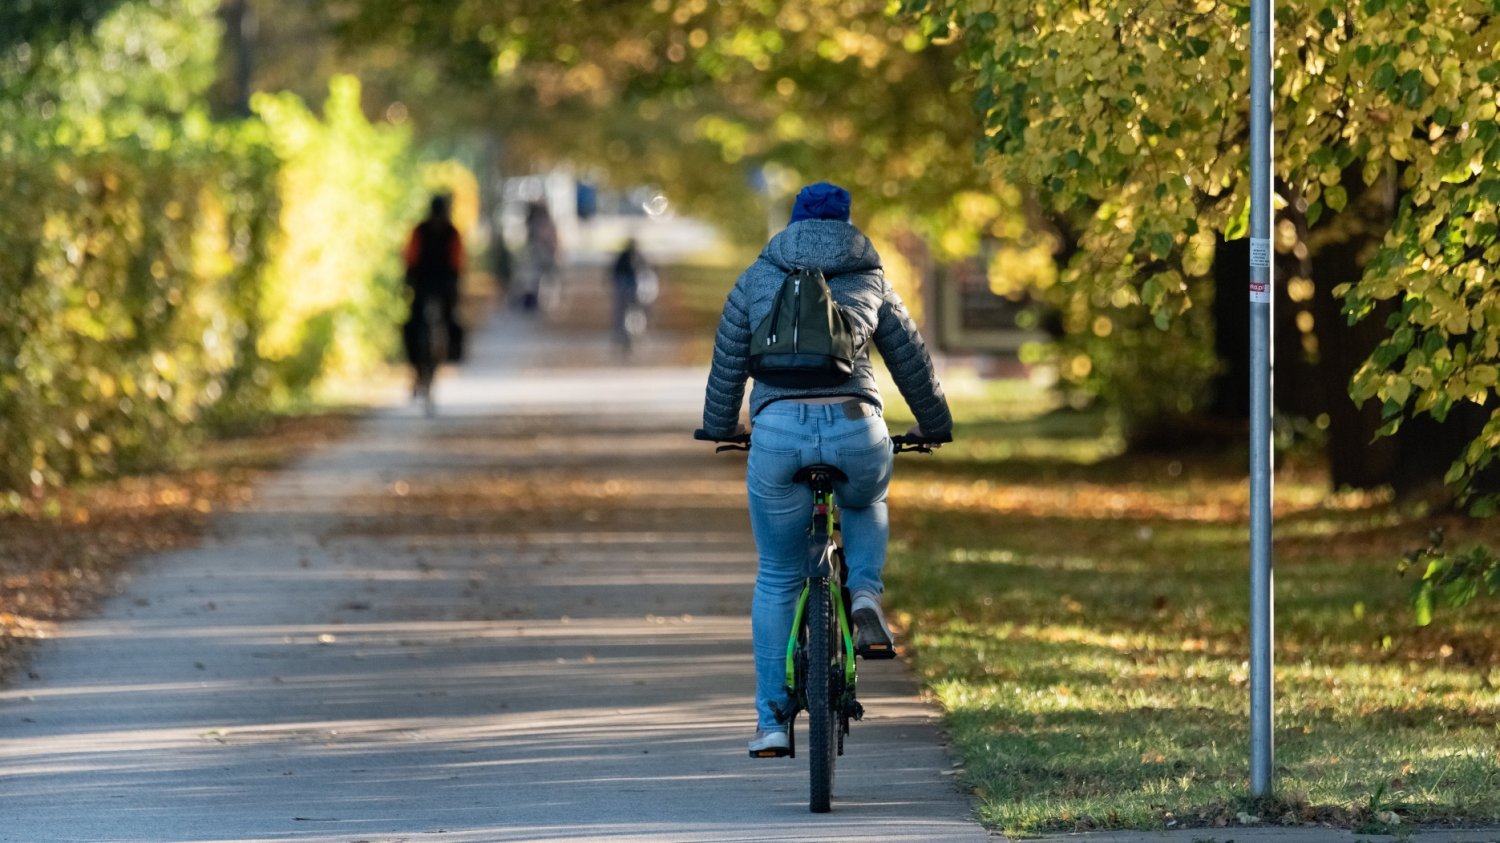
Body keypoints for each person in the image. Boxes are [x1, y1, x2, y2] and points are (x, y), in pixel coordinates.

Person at [699, 182, 954, 756]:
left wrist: (721, 425)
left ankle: (769, 720)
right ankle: (863, 592)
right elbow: (911, 359)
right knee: (866, 498)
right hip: (855, 424)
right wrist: (934, 423)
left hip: (778, 430)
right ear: (846, 223)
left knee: (778, 578)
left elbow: (728, 361)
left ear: (792, 224)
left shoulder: (758, 276)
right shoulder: (869, 276)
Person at [402, 194, 466, 406]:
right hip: (429, 284)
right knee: (413, 326)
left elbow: (410, 259)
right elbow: (457, 262)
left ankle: (448, 356)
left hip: (434, 284)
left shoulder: (424, 230)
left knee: (425, 324)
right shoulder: (449, 231)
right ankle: (420, 367)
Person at [609, 237, 658, 355]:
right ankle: (626, 336)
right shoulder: (634, 257)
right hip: (630, 291)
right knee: (628, 313)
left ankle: (632, 335)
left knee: (632, 314)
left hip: (631, 291)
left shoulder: (632, 257)